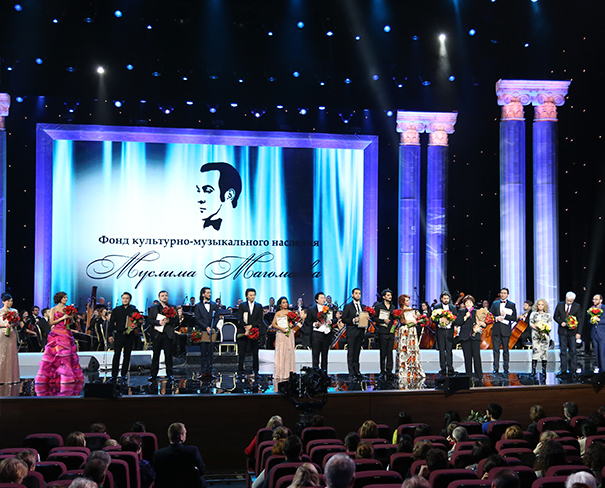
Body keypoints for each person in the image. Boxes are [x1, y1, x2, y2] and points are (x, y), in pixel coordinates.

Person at [35, 292, 84, 393]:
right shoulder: (53, 309)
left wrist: (70, 317)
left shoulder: (68, 308)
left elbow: (71, 322)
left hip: (66, 332)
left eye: (66, 297)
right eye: (64, 297)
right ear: (60, 299)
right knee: (56, 355)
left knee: (67, 355)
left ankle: (66, 377)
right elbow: (51, 322)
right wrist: (63, 318)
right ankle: (56, 376)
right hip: (57, 333)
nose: (66, 299)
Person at [153, 422, 206, 488]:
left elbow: (156, 475)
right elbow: (202, 471)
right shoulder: (192, 451)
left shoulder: (158, 455)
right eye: (185, 433)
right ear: (181, 437)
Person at [196, 162, 242, 231]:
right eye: (198, 191)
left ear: (229, 195)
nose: (200, 199)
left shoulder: (240, 229)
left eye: (208, 191)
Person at [107, 292, 139, 382]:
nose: (125, 300)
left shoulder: (134, 310)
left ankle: (124, 374)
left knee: (127, 355)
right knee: (116, 354)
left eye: (127, 298)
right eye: (123, 298)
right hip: (119, 334)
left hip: (130, 335)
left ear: (130, 300)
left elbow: (138, 322)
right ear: (121, 299)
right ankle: (114, 375)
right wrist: (110, 335)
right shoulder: (116, 310)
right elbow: (111, 323)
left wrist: (136, 326)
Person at [148, 290, 179, 382]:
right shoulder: (154, 308)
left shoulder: (172, 307)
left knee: (168, 355)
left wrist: (169, 321)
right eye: (162, 296)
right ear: (159, 298)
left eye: (166, 295)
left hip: (168, 334)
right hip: (157, 334)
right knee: (156, 355)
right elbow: (149, 320)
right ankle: (153, 374)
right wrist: (158, 322)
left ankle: (170, 374)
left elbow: (177, 321)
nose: (164, 297)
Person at [396, 294, 426, 388]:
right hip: (405, 330)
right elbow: (402, 321)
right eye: (406, 300)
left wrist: (417, 318)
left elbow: (420, 318)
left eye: (408, 300)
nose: (408, 302)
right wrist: (411, 321)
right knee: (405, 350)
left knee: (412, 349)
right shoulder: (400, 311)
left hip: (412, 330)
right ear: (402, 302)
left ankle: (414, 370)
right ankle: (404, 370)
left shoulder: (413, 310)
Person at [305, 292, 337, 371]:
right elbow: (307, 322)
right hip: (316, 334)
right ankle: (315, 372)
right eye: (322, 298)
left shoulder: (329, 308)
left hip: (327, 333)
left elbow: (335, 319)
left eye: (324, 298)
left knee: (325, 354)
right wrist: (315, 324)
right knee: (315, 354)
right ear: (317, 300)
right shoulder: (311, 309)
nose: (324, 299)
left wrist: (331, 321)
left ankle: (324, 372)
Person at [456, 295, 484, 382]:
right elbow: (457, 322)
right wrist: (465, 317)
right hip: (465, 337)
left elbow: (483, 323)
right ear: (464, 304)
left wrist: (481, 324)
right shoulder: (461, 311)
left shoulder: (477, 312)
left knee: (477, 356)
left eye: (470, 302)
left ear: (473, 303)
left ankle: (479, 375)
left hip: (475, 337)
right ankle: (469, 375)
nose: (468, 304)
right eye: (466, 302)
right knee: (467, 357)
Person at [554, 292, 583, 376]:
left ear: (573, 300)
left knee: (573, 351)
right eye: (567, 300)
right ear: (565, 298)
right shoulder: (560, 305)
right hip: (562, 331)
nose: (569, 302)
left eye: (571, 301)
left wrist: (579, 333)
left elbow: (580, 320)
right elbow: (555, 316)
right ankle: (563, 370)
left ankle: (573, 369)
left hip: (572, 332)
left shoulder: (577, 306)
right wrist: (561, 322)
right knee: (563, 351)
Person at [194, 287, 220, 380]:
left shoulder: (214, 305)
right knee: (203, 352)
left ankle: (210, 372)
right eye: (208, 293)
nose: (210, 294)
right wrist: (206, 327)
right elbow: (197, 319)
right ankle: (203, 372)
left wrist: (212, 327)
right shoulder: (198, 306)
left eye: (210, 292)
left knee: (211, 353)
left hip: (212, 332)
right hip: (203, 332)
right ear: (203, 294)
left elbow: (217, 317)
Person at [489, 288, 517, 375]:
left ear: (507, 294)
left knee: (506, 350)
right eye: (502, 293)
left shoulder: (512, 304)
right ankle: (495, 368)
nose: (503, 294)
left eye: (504, 293)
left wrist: (505, 316)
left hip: (505, 330)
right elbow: (490, 315)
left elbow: (514, 318)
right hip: (496, 329)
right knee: (496, 350)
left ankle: (506, 368)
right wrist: (496, 318)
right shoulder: (495, 303)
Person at [272, 297, 299, 384]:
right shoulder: (278, 313)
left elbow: (294, 323)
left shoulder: (291, 313)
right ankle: (281, 373)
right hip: (281, 334)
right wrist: (281, 329)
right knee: (281, 352)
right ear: (280, 304)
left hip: (289, 333)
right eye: (283, 302)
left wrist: (291, 325)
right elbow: (273, 324)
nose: (285, 304)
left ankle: (289, 372)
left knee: (289, 352)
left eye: (286, 302)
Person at [342, 288, 366, 380]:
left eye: (359, 293)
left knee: (357, 353)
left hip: (360, 332)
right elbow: (344, 319)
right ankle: (351, 373)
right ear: (352, 295)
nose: (358, 295)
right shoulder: (348, 306)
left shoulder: (363, 306)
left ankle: (357, 371)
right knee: (351, 353)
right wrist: (353, 320)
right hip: (352, 332)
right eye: (356, 293)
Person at [237, 288, 263, 376]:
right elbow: (240, 318)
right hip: (244, 330)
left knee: (255, 352)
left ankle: (256, 370)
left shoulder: (259, 306)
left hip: (254, 331)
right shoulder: (242, 305)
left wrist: (251, 326)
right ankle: (240, 370)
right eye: (251, 295)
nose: (252, 297)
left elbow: (259, 319)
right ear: (247, 296)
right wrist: (246, 327)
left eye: (254, 295)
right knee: (242, 352)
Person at [433, 291, 458, 375]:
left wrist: (450, 320)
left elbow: (456, 318)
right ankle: (443, 368)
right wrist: (440, 320)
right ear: (441, 299)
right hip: (440, 330)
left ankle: (450, 367)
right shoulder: (437, 307)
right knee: (441, 349)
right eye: (444, 298)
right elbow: (433, 319)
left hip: (449, 330)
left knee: (449, 350)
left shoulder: (453, 307)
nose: (446, 300)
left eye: (447, 298)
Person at [374, 289, 397, 379]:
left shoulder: (393, 307)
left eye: (390, 295)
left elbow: (395, 318)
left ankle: (389, 371)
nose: (390, 297)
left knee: (390, 352)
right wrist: (383, 320)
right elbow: (374, 318)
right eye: (388, 295)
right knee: (383, 352)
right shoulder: (379, 306)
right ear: (383, 297)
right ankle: (382, 371)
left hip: (391, 332)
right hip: (382, 331)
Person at [528, 299, 553, 378]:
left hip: (545, 335)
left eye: (542, 304)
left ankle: (544, 370)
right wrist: (538, 328)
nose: (540, 306)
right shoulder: (533, 314)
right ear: (536, 305)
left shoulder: (548, 315)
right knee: (536, 351)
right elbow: (531, 323)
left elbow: (550, 324)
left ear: (544, 305)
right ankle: (533, 370)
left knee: (544, 352)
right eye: (539, 304)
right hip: (536, 334)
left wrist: (545, 330)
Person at [0, 293, 20, 384]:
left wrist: (12, 324)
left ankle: (12, 378)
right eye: (8, 301)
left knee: (12, 353)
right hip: (2, 333)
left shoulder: (14, 311)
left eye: (11, 301)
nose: (10, 302)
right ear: (3, 301)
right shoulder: (0, 311)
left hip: (11, 332)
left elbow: (17, 323)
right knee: (2, 353)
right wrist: (5, 325)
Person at [591, 295, 605, 373]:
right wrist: (591, 320)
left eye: (596, 299)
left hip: (602, 334)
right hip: (594, 334)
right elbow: (588, 322)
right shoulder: (591, 309)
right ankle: (600, 370)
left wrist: (599, 320)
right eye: (593, 299)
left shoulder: (604, 308)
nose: (594, 301)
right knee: (597, 353)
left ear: (601, 300)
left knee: (602, 353)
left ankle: (603, 371)